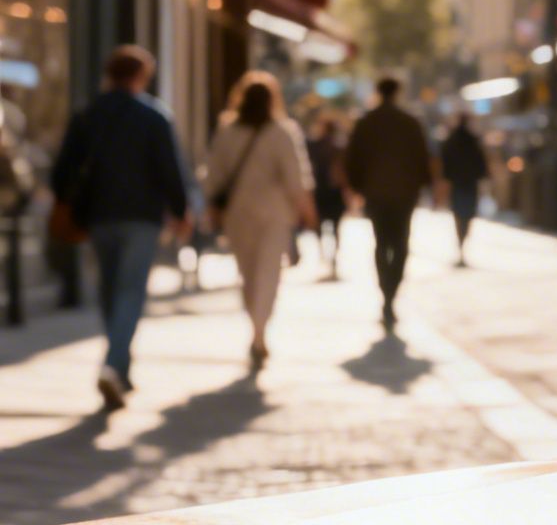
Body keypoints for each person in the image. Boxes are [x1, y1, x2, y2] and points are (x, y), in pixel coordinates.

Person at [50, 46, 192, 409]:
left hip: (99, 216)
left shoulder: (88, 115)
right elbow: (170, 170)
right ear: (141, 76)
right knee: (129, 292)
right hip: (141, 218)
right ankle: (114, 365)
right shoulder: (154, 116)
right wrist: (180, 211)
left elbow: (61, 171)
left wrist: (66, 199)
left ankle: (120, 368)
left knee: (110, 290)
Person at [205, 73, 315, 370]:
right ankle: (259, 332)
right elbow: (296, 178)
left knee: (249, 274)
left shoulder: (228, 132)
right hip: (274, 215)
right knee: (268, 274)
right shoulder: (282, 131)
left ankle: (256, 329)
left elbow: (213, 175)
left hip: (239, 215)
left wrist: (212, 209)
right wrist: (306, 211)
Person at [344, 76, 434, 329]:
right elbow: (423, 158)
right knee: (400, 243)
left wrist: (357, 187)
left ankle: (387, 293)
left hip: (376, 194)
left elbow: (353, 159)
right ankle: (391, 293)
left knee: (382, 244)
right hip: (404, 194)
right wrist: (424, 186)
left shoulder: (366, 122)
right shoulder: (410, 122)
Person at [439, 112, 488, 266]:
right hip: (469, 183)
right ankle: (463, 242)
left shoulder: (452, 140)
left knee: (459, 214)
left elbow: (445, 162)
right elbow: (481, 163)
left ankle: (461, 243)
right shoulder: (472, 141)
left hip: (457, 183)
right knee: (467, 215)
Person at [306, 114, 349, 280]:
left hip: (322, 191)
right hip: (332, 191)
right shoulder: (338, 147)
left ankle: (325, 254)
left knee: (323, 226)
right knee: (335, 227)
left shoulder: (314, 145)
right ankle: (331, 256)